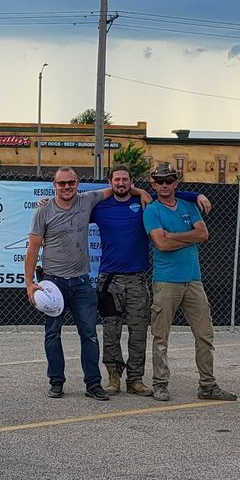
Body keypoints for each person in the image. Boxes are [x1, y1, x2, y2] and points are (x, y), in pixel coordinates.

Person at [24, 167, 145, 399]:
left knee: (89, 334)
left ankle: (93, 384)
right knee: (52, 334)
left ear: (78, 183)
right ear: (54, 185)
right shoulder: (43, 212)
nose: (66, 187)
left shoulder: (87, 200)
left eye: (70, 183)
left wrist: (143, 193)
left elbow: (118, 188)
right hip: (53, 283)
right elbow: (33, 249)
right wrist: (29, 283)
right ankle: (56, 381)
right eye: (61, 183)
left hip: (81, 283)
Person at [91, 164, 209, 395]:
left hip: (137, 279)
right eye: (117, 180)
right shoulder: (100, 207)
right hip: (109, 280)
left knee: (138, 332)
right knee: (111, 331)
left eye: (125, 179)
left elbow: (171, 192)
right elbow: (72, 206)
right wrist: (47, 204)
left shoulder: (145, 203)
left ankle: (135, 379)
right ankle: (113, 377)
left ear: (132, 182)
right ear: (110, 183)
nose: (121, 183)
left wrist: (195, 195)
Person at [144, 163, 237, 403]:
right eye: (160, 181)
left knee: (205, 334)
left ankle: (207, 384)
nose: (164, 185)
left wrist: (172, 235)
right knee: (161, 336)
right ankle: (160, 383)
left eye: (169, 180)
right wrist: (188, 237)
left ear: (176, 183)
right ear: (153, 184)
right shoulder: (152, 210)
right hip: (166, 281)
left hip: (193, 280)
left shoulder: (188, 206)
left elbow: (203, 234)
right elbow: (160, 244)